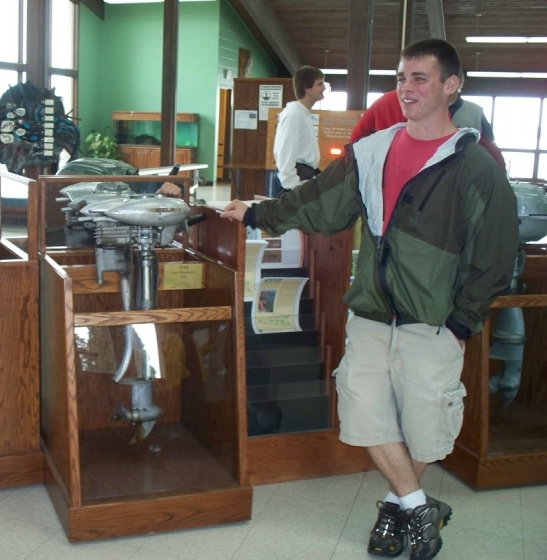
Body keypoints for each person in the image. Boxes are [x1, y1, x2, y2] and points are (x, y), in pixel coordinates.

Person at [222, 39, 518, 560]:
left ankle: (395, 504)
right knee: (363, 413)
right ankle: (418, 505)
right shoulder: (371, 150)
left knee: (426, 428)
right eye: (401, 78)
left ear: (451, 87)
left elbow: (494, 255)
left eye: (420, 78)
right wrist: (255, 214)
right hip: (372, 312)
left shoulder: (476, 168)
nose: (406, 88)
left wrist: (460, 323)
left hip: (434, 321)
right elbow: (317, 204)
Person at [351, 76, 507, 172]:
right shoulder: (388, 103)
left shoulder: (473, 112)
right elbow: (357, 142)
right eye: (402, 79)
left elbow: (490, 150)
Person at [272, 65, 327, 195]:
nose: (324, 88)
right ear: (307, 88)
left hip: (303, 178)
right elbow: (285, 152)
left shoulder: (303, 114)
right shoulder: (294, 114)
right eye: (320, 84)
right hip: (293, 184)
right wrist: (294, 187)